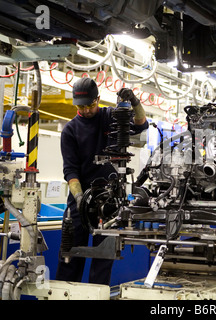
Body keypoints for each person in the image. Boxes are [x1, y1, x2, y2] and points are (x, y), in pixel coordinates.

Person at [56, 78, 149, 285]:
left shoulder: (110, 117)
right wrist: (79, 197)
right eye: (81, 106)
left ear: (98, 99)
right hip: (79, 202)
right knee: (69, 259)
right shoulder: (70, 130)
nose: (86, 110)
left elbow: (141, 125)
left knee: (103, 260)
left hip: (109, 202)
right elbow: (70, 171)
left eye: (90, 105)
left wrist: (134, 101)